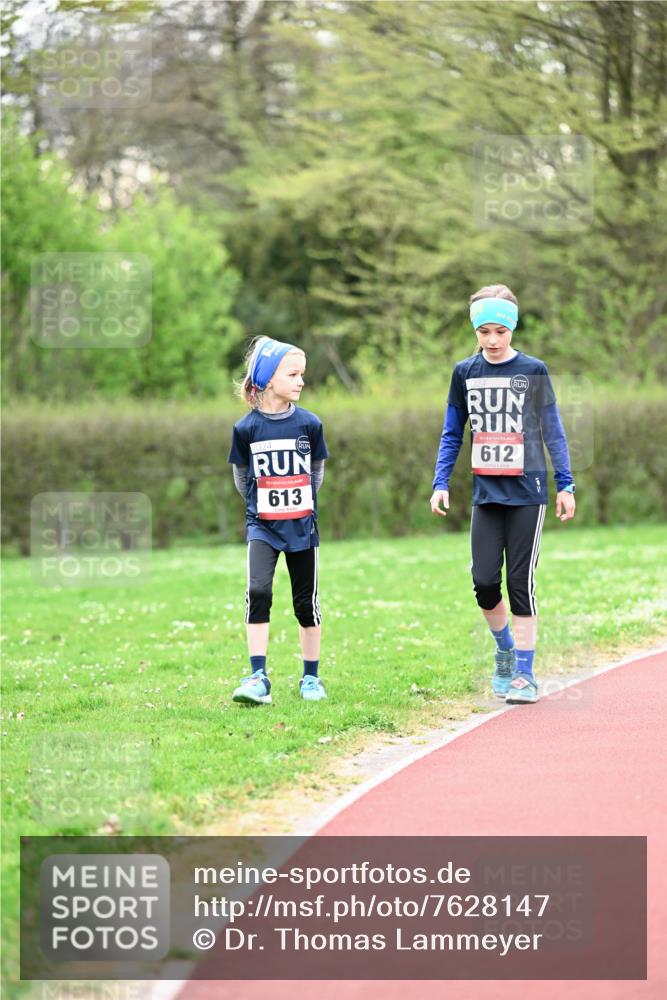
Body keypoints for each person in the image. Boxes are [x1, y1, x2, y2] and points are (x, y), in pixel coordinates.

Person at [430, 284, 576, 704]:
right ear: (475, 330)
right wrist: (441, 481)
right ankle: (505, 650)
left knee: (519, 584)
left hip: (528, 492)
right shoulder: (464, 373)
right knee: (483, 582)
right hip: (486, 493)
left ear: (512, 329)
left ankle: (525, 676)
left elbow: (554, 429)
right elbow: (452, 431)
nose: (492, 340)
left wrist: (565, 483)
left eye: (500, 332)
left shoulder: (533, 370)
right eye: (484, 332)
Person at [228, 336, 329, 705]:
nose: (301, 381)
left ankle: (311, 678)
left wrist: (298, 506)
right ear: (269, 378)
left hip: (302, 527)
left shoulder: (310, 424)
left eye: (302, 374)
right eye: (293, 374)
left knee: (306, 604)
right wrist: (262, 509)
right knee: (258, 592)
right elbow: (243, 479)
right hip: (263, 527)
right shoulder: (246, 429)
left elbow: (316, 473)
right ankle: (257, 677)